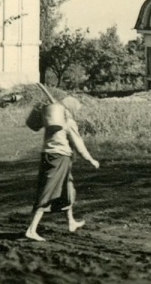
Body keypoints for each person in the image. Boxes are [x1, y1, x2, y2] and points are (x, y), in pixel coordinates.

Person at [25, 95, 100, 241]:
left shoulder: (52, 121)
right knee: (47, 191)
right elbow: (78, 144)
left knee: (67, 188)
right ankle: (31, 230)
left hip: (48, 156)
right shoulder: (68, 122)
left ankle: (71, 221)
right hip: (60, 158)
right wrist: (90, 159)